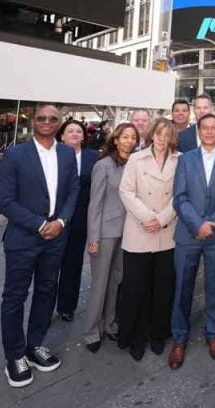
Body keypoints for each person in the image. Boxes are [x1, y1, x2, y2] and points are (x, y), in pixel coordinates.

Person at [0, 104, 80, 388]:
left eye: (52, 119)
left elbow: (73, 191)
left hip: (57, 238)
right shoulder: (15, 154)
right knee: (15, 297)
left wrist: (62, 222)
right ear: (33, 122)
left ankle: (35, 345)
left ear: (59, 123)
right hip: (23, 239)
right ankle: (15, 355)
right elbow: (5, 201)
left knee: (46, 291)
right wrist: (40, 225)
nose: (46, 122)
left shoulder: (67, 153)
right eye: (42, 118)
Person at [168, 113, 215, 369]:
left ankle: (213, 333)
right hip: (188, 233)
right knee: (182, 287)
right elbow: (179, 197)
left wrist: (211, 223)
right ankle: (179, 337)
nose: (209, 132)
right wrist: (197, 224)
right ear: (198, 131)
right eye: (204, 128)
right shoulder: (186, 160)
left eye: (213, 128)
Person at [118, 118, 179, 361]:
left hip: (166, 232)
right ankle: (135, 337)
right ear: (151, 135)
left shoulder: (180, 160)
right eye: (158, 133)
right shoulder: (136, 159)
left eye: (167, 134)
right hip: (139, 230)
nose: (162, 138)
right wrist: (147, 218)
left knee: (163, 288)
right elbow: (126, 191)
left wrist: (162, 218)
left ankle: (158, 334)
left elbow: (180, 194)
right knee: (135, 288)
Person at [82, 123, 138, 353]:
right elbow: (94, 204)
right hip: (105, 232)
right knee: (99, 284)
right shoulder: (103, 165)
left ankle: (110, 324)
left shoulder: (134, 164)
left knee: (116, 282)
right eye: (125, 137)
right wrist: (92, 237)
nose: (129, 141)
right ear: (116, 140)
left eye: (133, 138)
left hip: (128, 232)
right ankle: (92, 331)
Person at [55, 120, 100, 322]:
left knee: (73, 265)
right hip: (54, 220)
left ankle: (67, 306)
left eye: (78, 131)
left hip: (81, 219)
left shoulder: (93, 157)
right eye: (70, 131)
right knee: (49, 266)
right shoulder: (51, 156)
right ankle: (45, 307)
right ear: (62, 135)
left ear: (84, 136)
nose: (74, 134)